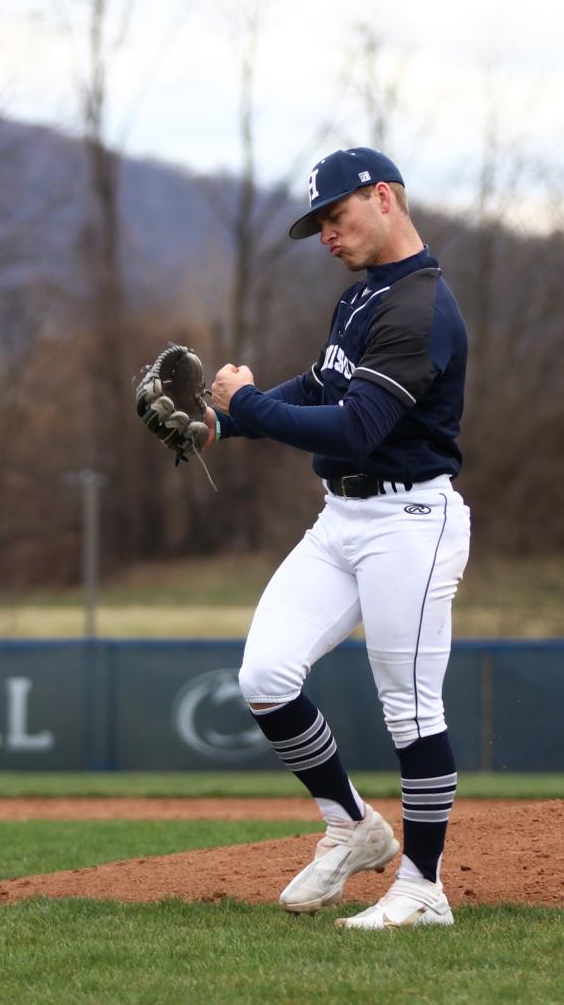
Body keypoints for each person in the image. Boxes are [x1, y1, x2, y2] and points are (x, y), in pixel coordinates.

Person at [206, 147, 470, 929]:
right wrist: (221, 420)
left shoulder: (420, 305)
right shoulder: (362, 298)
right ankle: (353, 825)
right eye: (318, 222)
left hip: (409, 523)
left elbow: (356, 428)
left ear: (382, 197)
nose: (326, 232)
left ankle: (423, 888)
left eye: (335, 214)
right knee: (264, 677)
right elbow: (323, 387)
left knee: (411, 713)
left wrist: (249, 405)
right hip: (342, 521)